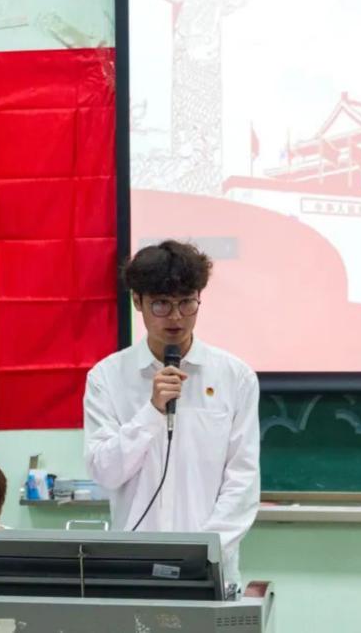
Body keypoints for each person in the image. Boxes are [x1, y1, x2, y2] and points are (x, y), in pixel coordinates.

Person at [83, 239, 260, 588]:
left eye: (187, 302)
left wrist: (202, 553)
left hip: (210, 567)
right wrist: (151, 413)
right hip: (133, 566)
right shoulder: (106, 378)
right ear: (138, 301)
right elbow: (105, 471)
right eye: (162, 304)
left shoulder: (234, 377)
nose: (176, 317)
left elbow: (242, 479)